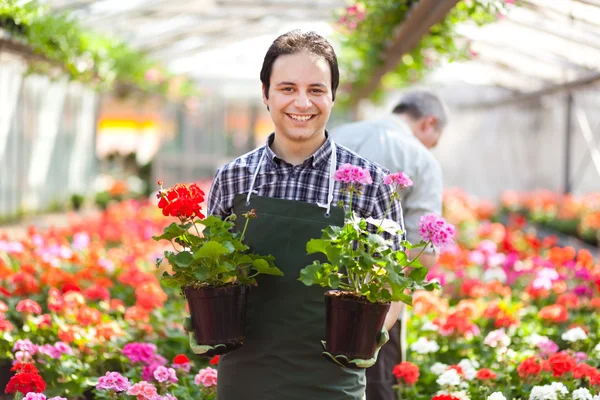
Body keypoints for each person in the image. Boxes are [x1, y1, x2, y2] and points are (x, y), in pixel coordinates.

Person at [205, 30, 405, 400]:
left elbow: (394, 283)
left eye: (316, 89)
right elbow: (209, 279)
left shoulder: (371, 183)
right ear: (265, 93)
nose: (302, 102)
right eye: (287, 88)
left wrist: (366, 337)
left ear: (333, 96)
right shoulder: (233, 179)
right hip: (245, 380)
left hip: (333, 381)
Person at [331, 89, 449, 400]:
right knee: (375, 383)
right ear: (428, 124)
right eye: (432, 140)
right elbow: (422, 249)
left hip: (313, 285)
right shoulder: (420, 158)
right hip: (379, 298)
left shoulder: (336, 135)